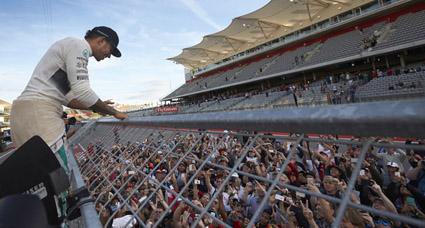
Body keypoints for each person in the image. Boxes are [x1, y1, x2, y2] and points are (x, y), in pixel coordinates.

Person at [10, 26, 128, 173]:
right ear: (102, 41)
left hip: (23, 113)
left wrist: (95, 107)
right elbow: (82, 90)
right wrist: (114, 112)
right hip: (40, 115)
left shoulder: (67, 47)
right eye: (111, 50)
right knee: (57, 177)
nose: (109, 55)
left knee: (34, 177)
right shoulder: (80, 46)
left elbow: (67, 98)